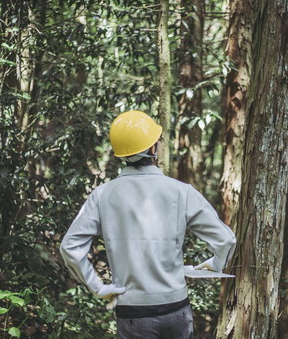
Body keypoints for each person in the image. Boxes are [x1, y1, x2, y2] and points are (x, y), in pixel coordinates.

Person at [60, 110, 236, 339]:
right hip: (176, 308)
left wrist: (98, 288)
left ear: (120, 154)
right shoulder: (181, 192)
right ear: (153, 149)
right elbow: (226, 239)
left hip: (132, 312)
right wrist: (216, 262)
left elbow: (69, 248)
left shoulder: (102, 195)